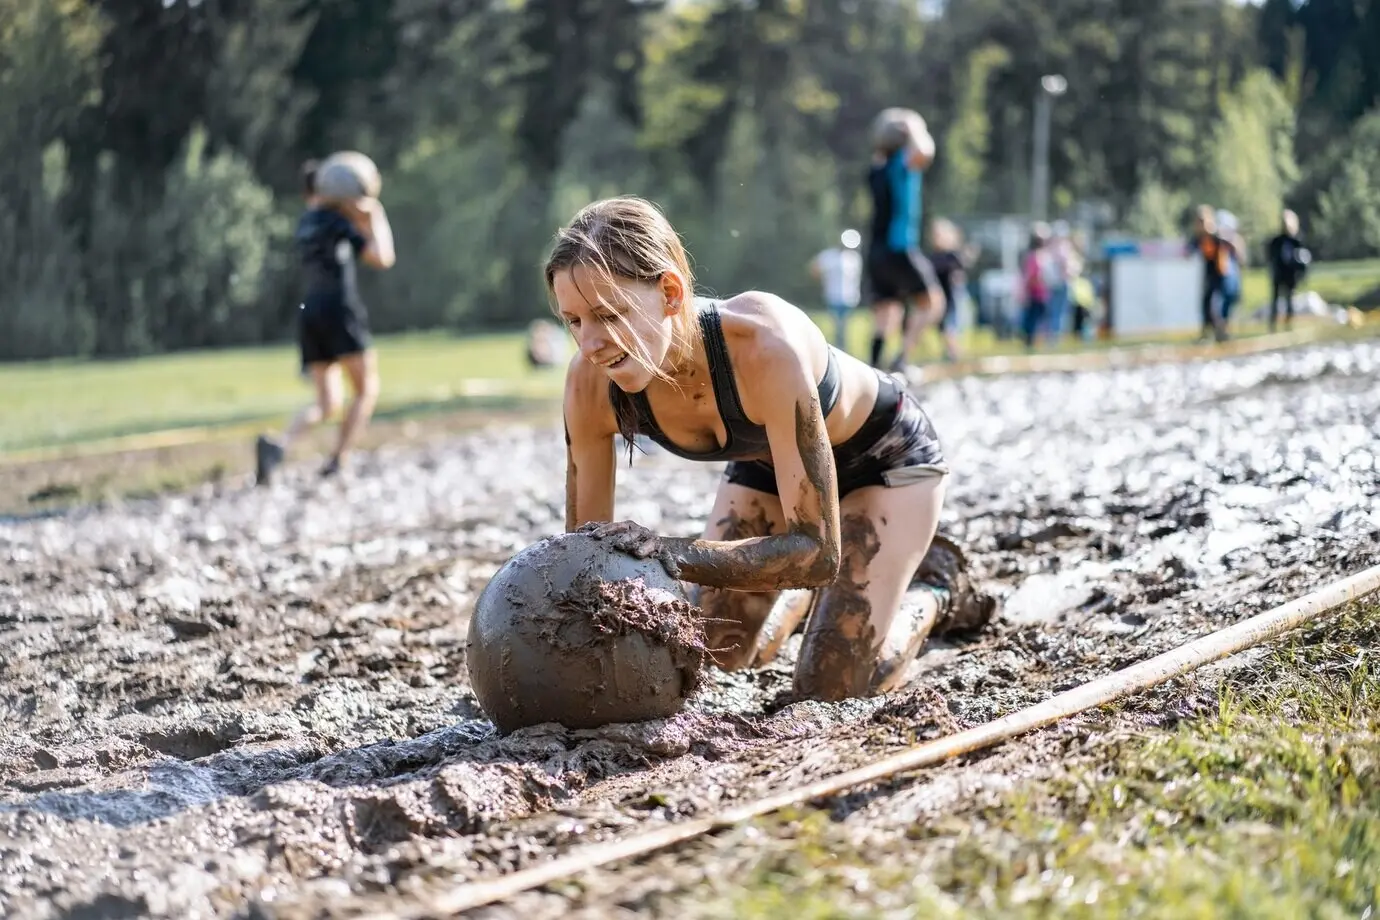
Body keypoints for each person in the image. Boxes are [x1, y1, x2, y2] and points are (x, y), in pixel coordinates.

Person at [552, 196, 998, 703]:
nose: (590, 343)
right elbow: (585, 552)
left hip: (884, 461)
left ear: (670, 292)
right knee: (711, 651)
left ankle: (936, 592)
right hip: (768, 467)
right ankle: (805, 604)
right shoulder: (589, 384)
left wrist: (671, 554)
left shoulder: (763, 346)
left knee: (830, 685)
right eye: (573, 321)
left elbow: (817, 553)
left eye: (610, 314)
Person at [255, 158, 396, 486]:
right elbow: (382, 258)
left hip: (310, 312)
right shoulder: (338, 222)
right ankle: (338, 460)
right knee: (366, 389)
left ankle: (279, 446)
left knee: (327, 402)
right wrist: (375, 216)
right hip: (339, 309)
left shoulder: (306, 222)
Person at [864, 108, 945, 373]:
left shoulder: (877, 166)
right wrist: (914, 126)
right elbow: (926, 151)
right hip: (899, 247)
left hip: (876, 250)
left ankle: (874, 366)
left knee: (888, 310)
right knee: (933, 303)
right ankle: (902, 359)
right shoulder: (902, 163)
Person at [926, 218, 978, 362]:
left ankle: (954, 352)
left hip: (951, 297)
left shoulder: (951, 255)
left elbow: (962, 267)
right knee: (943, 326)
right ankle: (952, 352)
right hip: (939, 296)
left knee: (950, 325)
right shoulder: (934, 256)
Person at [808, 229, 864, 353]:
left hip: (849, 297)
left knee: (844, 327)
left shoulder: (854, 258)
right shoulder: (829, 255)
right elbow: (815, 268)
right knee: (838, 325)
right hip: (833, 296)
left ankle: (841, 349)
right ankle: (837, 349)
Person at [1266, 209, 1309, 333]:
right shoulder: (1276, 241)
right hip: (1278, 274)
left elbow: (1303, 258)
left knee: (1289, 300)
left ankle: (1288, 325)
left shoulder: (1297, 241)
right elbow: (1271, 256)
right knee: (1275, 300)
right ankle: (1273, 326)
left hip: (1290, 275)